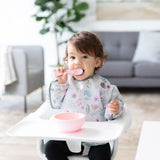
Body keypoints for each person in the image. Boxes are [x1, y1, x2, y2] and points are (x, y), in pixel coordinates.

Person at [45, 31, 124, 160]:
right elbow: (54, 103)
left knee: (103, 154)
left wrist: (114, 108)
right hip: (68, 137)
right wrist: (61, 83)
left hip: (95, 139)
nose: (77, 62)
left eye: (84, 57)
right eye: (72, 57)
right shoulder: (65, 83)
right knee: (50, 148)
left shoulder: (103, 85)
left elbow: (114, 108)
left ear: (97, 62)